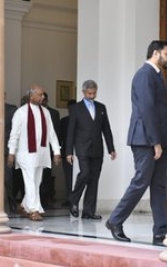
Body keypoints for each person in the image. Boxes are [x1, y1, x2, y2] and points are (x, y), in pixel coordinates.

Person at [105, 40, 167, 246]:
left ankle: (160, 231)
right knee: (141, 181)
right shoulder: (144, 74)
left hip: (156, 140)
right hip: (145, 140)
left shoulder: (157, 75)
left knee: (159, 186)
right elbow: (147, 109)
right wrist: (155, 142)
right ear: (155, 53)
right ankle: (115, 221)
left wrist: (163, 141)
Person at [7, 85, 61, 221]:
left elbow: (51, 134)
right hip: (25, 153)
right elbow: (14, 135)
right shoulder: (21, 112)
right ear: (31, 96)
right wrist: (11, 152)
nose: (43, 97)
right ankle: (34, 209)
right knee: (30, 180)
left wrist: (56, 151)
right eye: (40, 94)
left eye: (43, 95)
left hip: (41, 153)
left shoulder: (46, 112)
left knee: (37, 181)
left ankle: (24, 205)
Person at [66, 80, 116, 220]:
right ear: (83, 92)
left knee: (94, 179)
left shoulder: (101, 107)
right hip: (82, 147)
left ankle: (88, 212)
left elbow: (106, 129)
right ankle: (73, 200)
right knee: (85, 173)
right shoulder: (76, 108)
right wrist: (69, 152)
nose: (92, 96)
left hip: (97, 148)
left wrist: (111, 148)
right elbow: (71, 131)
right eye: (89, 93)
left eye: (94, 93)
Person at [40, 92, 61, 208]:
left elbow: (55, 132)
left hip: (48, 149)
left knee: (47, 175)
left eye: (44, 99)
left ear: (47, 100)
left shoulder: (53, 113)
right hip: (35, 149)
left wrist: (56, 151)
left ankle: (45, 199)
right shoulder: (32, 111)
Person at [59, 99, 76, 206]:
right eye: (69, 108)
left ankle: (76, 198)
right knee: (68, 177)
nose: (70, 110)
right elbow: (60, 138)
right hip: (66, 152)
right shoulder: (64, 121)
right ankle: (70, 198)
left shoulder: (81, 120)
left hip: (79, 152)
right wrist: (59, 153)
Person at [4, 99, 18, 213]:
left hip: (6, 150)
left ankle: (11, 201)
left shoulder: (12, 110)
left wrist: (12, 152)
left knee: (7, 178)